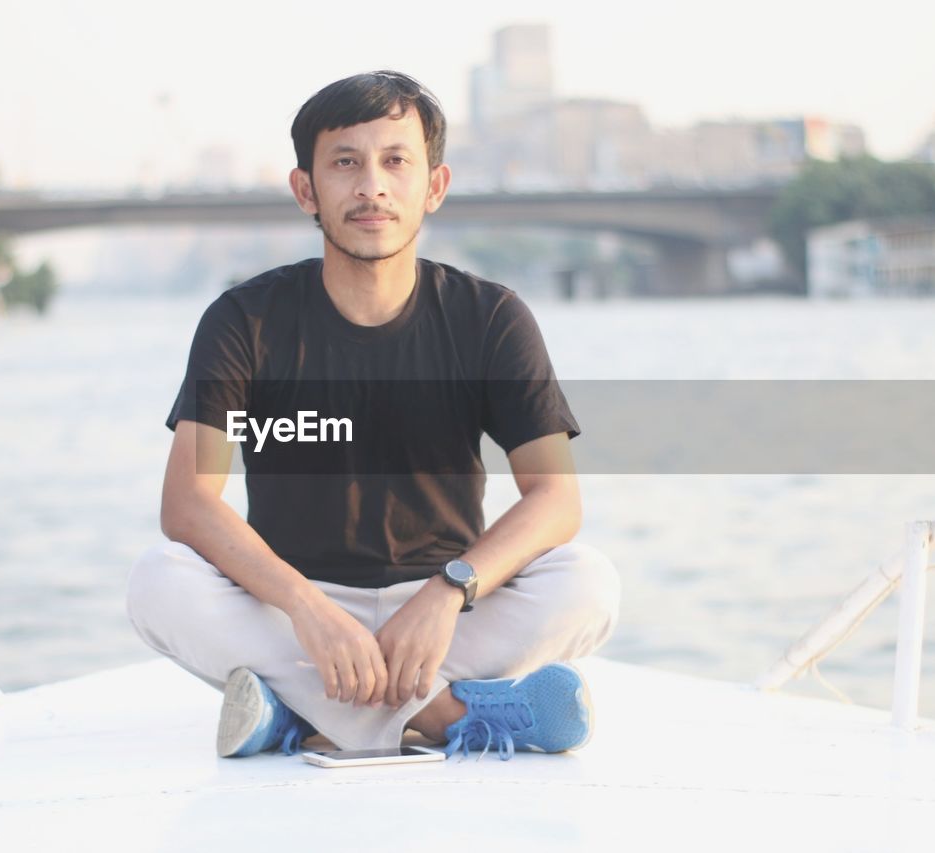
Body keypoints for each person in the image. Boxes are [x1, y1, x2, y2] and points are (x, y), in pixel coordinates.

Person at [126, 70, 620, 761]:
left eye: (395, 161)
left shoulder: (490, 317)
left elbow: (557, 498)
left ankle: (293, 715)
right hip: (293, 614)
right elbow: (187, 504)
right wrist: (306, 608)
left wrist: (449, 591)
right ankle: (450, 717)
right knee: (157, 580)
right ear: (307, 190)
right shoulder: (245, 319)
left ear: (434, 185)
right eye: (345, 164)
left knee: (588, 579)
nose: (372, 187)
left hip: (448, 612)